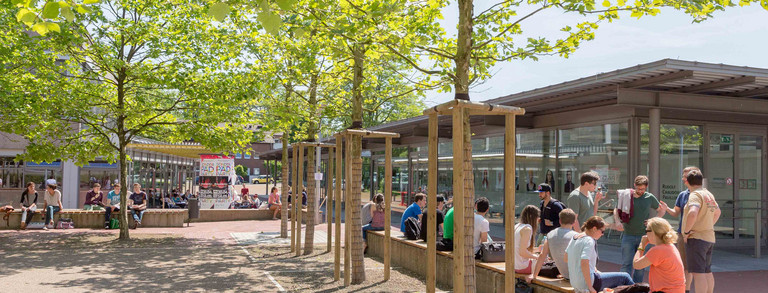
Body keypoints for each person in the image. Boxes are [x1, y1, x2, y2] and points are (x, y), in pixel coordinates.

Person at [613, 175, 665, 283]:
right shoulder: (626, 195)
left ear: (646, 187)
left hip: (644, 236)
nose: (640, 191)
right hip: (628, 235)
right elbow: (616, 209)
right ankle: (624, 287)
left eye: (643, 189)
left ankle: (637, 287)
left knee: (640, 266)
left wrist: (654, 220)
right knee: (626, 264)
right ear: (634, 185)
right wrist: (617, 222)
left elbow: (661, 210)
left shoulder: (649, 197)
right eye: (638, 188)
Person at [566, 216, 634, 293]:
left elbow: (566, 258)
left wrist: (591, 267)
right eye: (602, 231)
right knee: (625, 277)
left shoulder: (575, 237)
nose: (602, 234)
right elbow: (584, 263)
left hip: (575, 283)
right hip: (587, 284)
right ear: (594, 229)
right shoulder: (589, 240)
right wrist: (590, 287)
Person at [661, 166, 700, 293]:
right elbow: (676, 212)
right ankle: (684, 289)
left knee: (694, 267)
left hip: (695, 234)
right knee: (683, 264)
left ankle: (687, 289)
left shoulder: (700, 194)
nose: (683, 179)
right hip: (682, 234)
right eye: (683, 176)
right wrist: (666, 208)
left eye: (685, 176)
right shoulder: (683, 195)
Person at [681, 169, 721, 293]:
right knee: (707, 271)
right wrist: (708, 225)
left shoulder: (695, 195)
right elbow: (718, 212)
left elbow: (693, 212)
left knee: (698, 273)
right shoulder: (708, 194)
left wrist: (686, 232)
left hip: (696, 238)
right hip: (709, 237)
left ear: (687, 181)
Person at [633, 217, 685, 293]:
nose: (646, 233)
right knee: (625, 279)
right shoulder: (670, 246)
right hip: (674, 290)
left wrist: (642, 245)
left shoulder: (658, 250)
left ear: (653, 232)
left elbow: (636, 265)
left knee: (623, 279)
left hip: (665, 291)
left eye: (647, 230)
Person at [528, 209, 578, 283]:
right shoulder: (576, 236)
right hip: (577, 276)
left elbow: (542, 255)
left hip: (565, 274)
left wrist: (534, 275)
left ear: (560, 221)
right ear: (574, 222)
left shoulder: (550, 235)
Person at [514, 205, 540, 273]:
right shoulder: (527, 229)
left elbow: (520, 248)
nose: (538, 220)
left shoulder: (517, 226)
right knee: (545, 263)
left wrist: (538, 249)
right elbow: (522, 252)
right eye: (538, 217)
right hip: (521, 267)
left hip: (513, 265)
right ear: (533, 218)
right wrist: (537, 257)